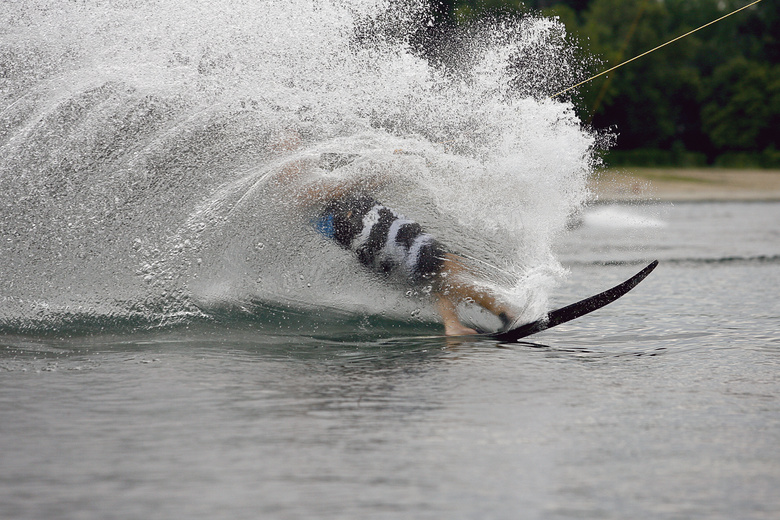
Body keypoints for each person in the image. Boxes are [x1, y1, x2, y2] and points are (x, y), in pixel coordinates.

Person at [271, 146, 515, 336]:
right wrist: (371, 173)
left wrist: (386, 169)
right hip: (370, 229)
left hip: (370, 228)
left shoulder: (302, 170)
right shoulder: (288, 170)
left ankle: (476, 320)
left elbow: (334, 191)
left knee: (438, 270)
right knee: (440, 265)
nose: (297, 142)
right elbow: (305, 196)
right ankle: (478, 321)